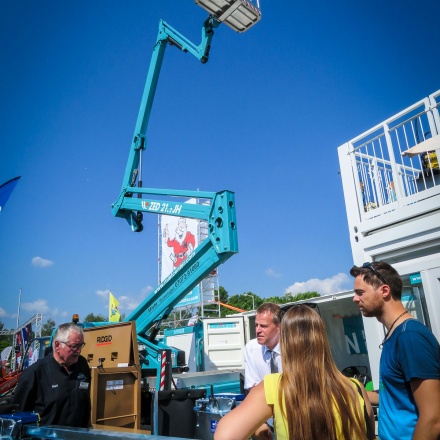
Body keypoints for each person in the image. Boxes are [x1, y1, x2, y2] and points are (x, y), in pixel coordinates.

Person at [215, 305, 374, 440]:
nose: (258, 330)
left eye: (263, 326)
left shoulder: (273, 387)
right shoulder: (356, 388)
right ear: (323, 340)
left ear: (284, 339)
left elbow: (224, 435)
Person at [350, 261, 440, 439]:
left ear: (384, 290)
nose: (355, 298)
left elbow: (433, 418)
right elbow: (395, 396)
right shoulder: (394, 335)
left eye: (360, 293)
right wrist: (352, 389)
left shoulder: (410, 337)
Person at [11, 323, 91, 428]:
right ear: (57, 345)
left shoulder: (82, 365)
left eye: (81, 345)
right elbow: (17, 415)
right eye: (74, 346)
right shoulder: (35, 373)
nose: (79, 350)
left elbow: (85, 402)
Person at [243, 303, 282, 440]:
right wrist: (260, 422)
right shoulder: (251, 348)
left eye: (263, 326)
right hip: (265, 416)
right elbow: (252, 389)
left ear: (279, 327)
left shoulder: (293, 347)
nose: (258, 330)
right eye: (256, 325)